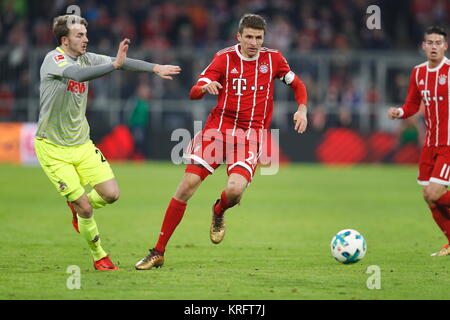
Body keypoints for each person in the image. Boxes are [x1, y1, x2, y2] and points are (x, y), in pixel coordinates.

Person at [135, 14, 308, 270]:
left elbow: (298, 84)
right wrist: (204, 88)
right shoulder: (224, 58)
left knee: (235, 191)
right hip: (218, 130)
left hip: (250, 136)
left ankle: (219, 210)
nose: (254, 42)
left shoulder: (273, 59)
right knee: (186, 186)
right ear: (239, 36)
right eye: (248, 36)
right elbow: (194, 91)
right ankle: (157, 251)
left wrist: (302, 109)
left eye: (258, 37)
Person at [34, 15, 180, 271]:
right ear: (64, 40)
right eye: (79, 35)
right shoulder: (54, 59)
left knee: (111, 194)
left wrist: (154, 68)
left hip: (82, 144)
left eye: (86, 34)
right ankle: (100, 255)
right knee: (87, 209)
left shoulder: (87, 57)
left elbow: (121, 63)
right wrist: (114, 66)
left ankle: (76, 205)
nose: (86, 39)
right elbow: (78, 76)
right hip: (53, 148)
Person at [388, 26, 450, 256]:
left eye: (438, 42)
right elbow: (412, 104)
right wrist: (399, 112)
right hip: (430, 143)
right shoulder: (418, 72)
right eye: (430, 42)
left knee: (435, 192)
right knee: (428, 196)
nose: (434, 46)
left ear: (445, 45)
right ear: (423, 46)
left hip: (448, 143)